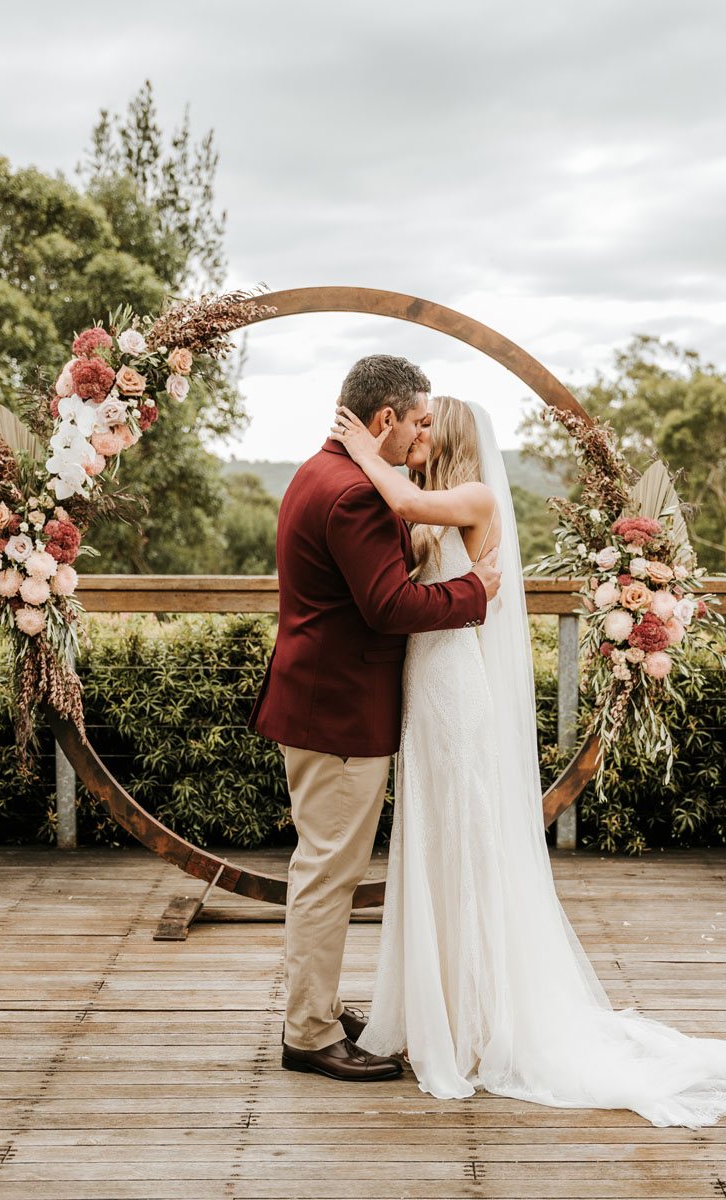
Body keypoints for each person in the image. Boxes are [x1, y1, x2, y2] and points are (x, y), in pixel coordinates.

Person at [329, 394, 726, 1128]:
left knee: (465, 846)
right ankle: (431, 1011)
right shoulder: (435, 503)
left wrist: (362, 447)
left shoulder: (470, 496)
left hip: (453, 688)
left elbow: (405, 497)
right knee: (437, 844)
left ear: (444, 435)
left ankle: (475, 1024)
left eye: (424, 425)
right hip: (425, 682)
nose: (416, 432)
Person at [248, 356, 502, 1082]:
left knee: (323, 866)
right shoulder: (356, 495)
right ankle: (308, 1033)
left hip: (319, 700)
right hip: (338, 714)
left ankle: (319, 1008)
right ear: (383, 421)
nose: (424, 432)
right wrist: (472, 594)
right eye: (416, 421)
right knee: (330, 873)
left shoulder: (313, 472)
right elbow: (389, 607)